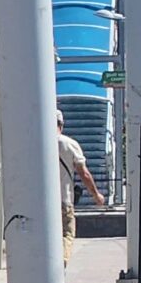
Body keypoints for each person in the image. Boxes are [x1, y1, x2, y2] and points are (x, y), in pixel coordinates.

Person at [53, 110, 102, 267]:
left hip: (39, 203)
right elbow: (84, 174)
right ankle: (61, 263)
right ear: (61, 125)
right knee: (67, 234)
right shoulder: (69, 144)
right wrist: (96, 195)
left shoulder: (35, 143)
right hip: (63, 200)